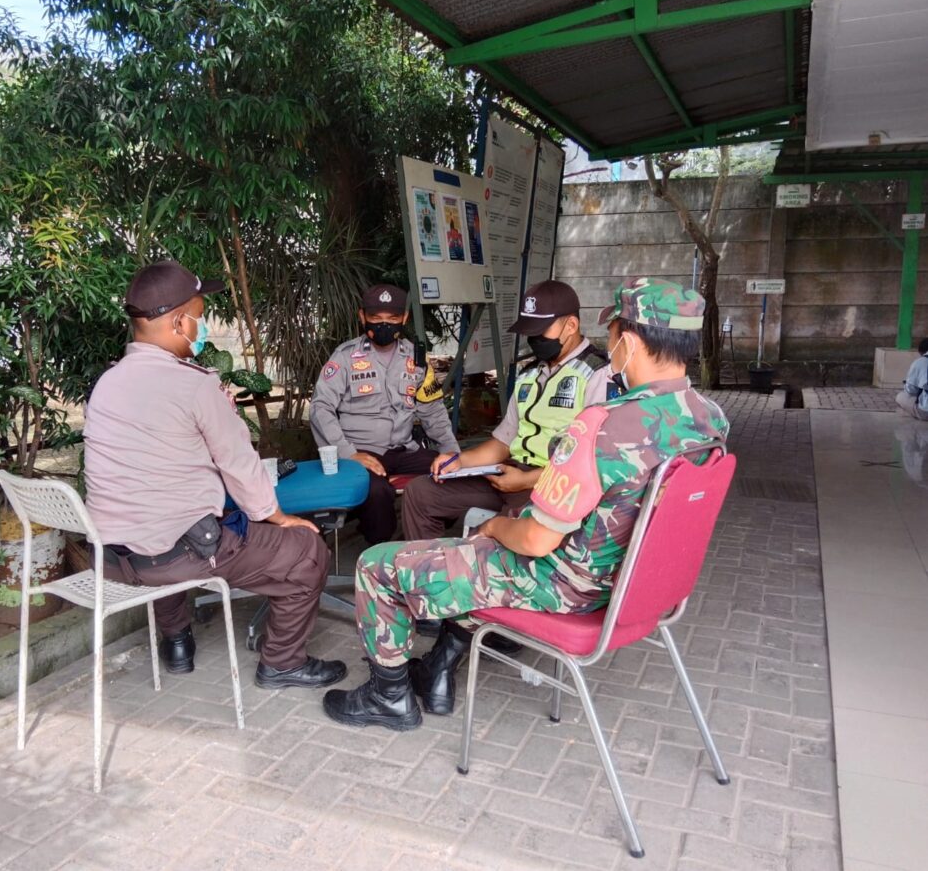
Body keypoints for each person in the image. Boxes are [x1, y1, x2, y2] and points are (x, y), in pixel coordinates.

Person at [322, 277, 729, 730]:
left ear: (629, 341)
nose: (609, 344)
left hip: (563, 584)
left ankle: (388, 696)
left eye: (612, 334)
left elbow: (534, 540)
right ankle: (438, 668)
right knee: (461, 547)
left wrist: (492, 530)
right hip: (635, 586)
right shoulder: (709, 419)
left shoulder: (603, 426)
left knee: (378, 564)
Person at [84, 260, 346, 690]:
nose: (201, 329)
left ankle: (177, 643)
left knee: (159, 526)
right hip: (179, 556)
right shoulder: (194, 385)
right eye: (200, 319)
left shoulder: (107, 384)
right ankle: (282, 662)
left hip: (115, 556)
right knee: (307, 551)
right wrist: (278, 517)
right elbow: (239, 464)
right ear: (180, 321)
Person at [401, 279, 614, 544]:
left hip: (553, 485)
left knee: (493, 538)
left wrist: (526, 481)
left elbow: (592, 460)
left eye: (540, 330)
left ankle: (470, 573)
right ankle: (424, 574)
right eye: (529, 331)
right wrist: (458, 461)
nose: (534, 339)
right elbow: (502, 443)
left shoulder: (597, 374)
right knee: (421, 493)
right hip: (508, 474)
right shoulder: (530, 374)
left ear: (571, 326)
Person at [310, 284, 460, 544]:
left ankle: (424, 530)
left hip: (403, 450)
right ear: (362, 317)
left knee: (450, 474)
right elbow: (320, 408)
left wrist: (453, 454)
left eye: (392, 320)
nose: (384, 326)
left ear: (404, 318)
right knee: (377, 493)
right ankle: (379, 546)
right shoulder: (345, 357)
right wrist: (349, 454)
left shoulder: (417, 358)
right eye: (376, 319)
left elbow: (433, 410)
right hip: (360, 451)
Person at [896, 338, 928, 420]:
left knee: (900, 396)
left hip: (925, 411)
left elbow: (911, 390)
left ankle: (911, 413)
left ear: (921, 352)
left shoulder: (920, 362)